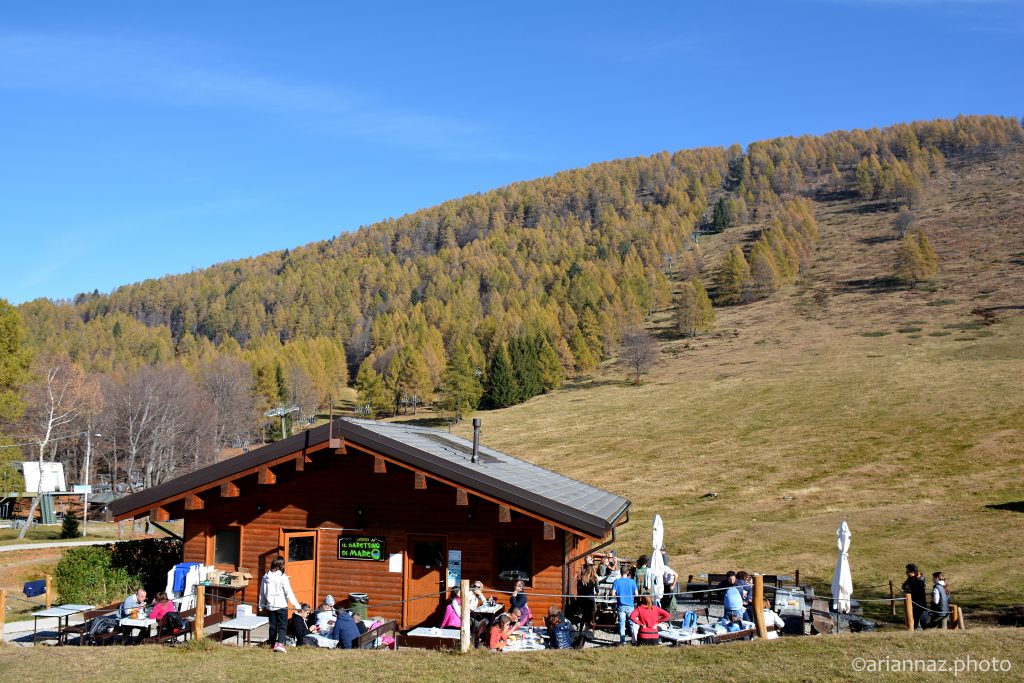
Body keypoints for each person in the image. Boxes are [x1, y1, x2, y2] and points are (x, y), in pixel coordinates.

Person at [259, 556, 302, 653]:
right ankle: (280, 644)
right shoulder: (283, 577)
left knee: (272, 625)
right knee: (283, 625)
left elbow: (262, 592)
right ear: (281, 565)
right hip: (281, 605)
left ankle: (272, 643)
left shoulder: (266, 577)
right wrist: (297, 606)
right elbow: (289, 592)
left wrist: (261, 605)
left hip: (270, 606)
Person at [611, 567, 639, 645]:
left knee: (621, 624)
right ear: (628, 572)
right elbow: (636, 594)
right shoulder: (632, 581)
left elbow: (613, 594)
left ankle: (623, 641)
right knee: (632, 623)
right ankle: (634, 640)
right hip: (630, 605)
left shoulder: (616, 582)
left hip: (621, 605)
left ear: (620, 572)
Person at [576, 559, 599, 634]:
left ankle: (581, 630)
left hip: (582, 599)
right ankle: (586, 630)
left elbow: (578, 589)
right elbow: (597, 590)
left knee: (584, 615)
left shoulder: (581, 579)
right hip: (590, 599)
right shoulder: (594, 579)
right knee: (589, 615)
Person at [902, 563, 927, 630]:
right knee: (914, 623)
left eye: (907, 571)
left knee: (920, 623)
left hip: (919, 605)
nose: (906, 572)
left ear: (913, 572)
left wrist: (908, 589)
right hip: (913, 604)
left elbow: (915, 591)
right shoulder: (911, 579)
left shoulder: (919, 581)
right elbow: (904, 586)